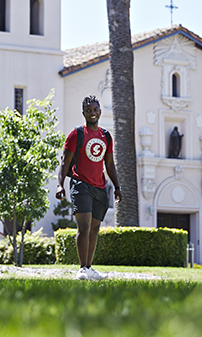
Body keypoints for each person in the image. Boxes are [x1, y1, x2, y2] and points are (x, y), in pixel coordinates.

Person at [56, 95, 121, 281]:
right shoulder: (77, 134)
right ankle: (82, 268)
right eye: (89, 110)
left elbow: (109, 164)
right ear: (83, 113)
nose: (92, 113)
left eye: (95, 110)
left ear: (100, 112)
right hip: (80, 184)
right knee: (83, 227)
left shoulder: (106, 136)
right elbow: (65, 161)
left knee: (94, 228)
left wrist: (117, 187)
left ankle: (90, 268)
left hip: (100, 187)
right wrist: (60, 185)